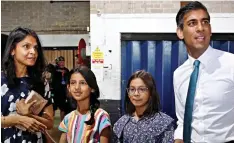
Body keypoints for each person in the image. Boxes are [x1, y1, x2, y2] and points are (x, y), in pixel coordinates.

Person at [174, 1, 234, 143]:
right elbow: (182, 120)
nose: (200, 28)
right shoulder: (178, 74)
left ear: (210, 29)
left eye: (205, 22)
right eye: (192, 23)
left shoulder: (231, 64)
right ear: (180, 32)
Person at [1, 27, 54, 142]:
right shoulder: (1, 80)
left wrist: (29, 115)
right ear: (12, 50)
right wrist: (17, 120)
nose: (33, 52)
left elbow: (49, 123)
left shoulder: (41, 81)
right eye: (26, 46)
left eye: (35, 48)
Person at [113, 70, 174, 143]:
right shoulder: (121, 123)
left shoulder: (164, 123)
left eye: (142, 89)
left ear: (151, 92)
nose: (136, 94)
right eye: (132, 89)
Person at [58, 66, 111, 143]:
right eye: (73, 83)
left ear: (92, 88)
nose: (77, 87)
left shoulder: (101, 116)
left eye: (82, 83)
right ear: (68, 87)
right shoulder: (68, 118)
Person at [52, 56, 72, 120]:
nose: (62, 63)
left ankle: (62, 123)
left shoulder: (66, 70)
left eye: (63, 62)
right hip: (55, 91)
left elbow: (69, 80)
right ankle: (51, 122)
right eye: (60, 62)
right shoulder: (54, 69)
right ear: (58, 63)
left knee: (63, 108)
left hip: (63, 91)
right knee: (53, 108)